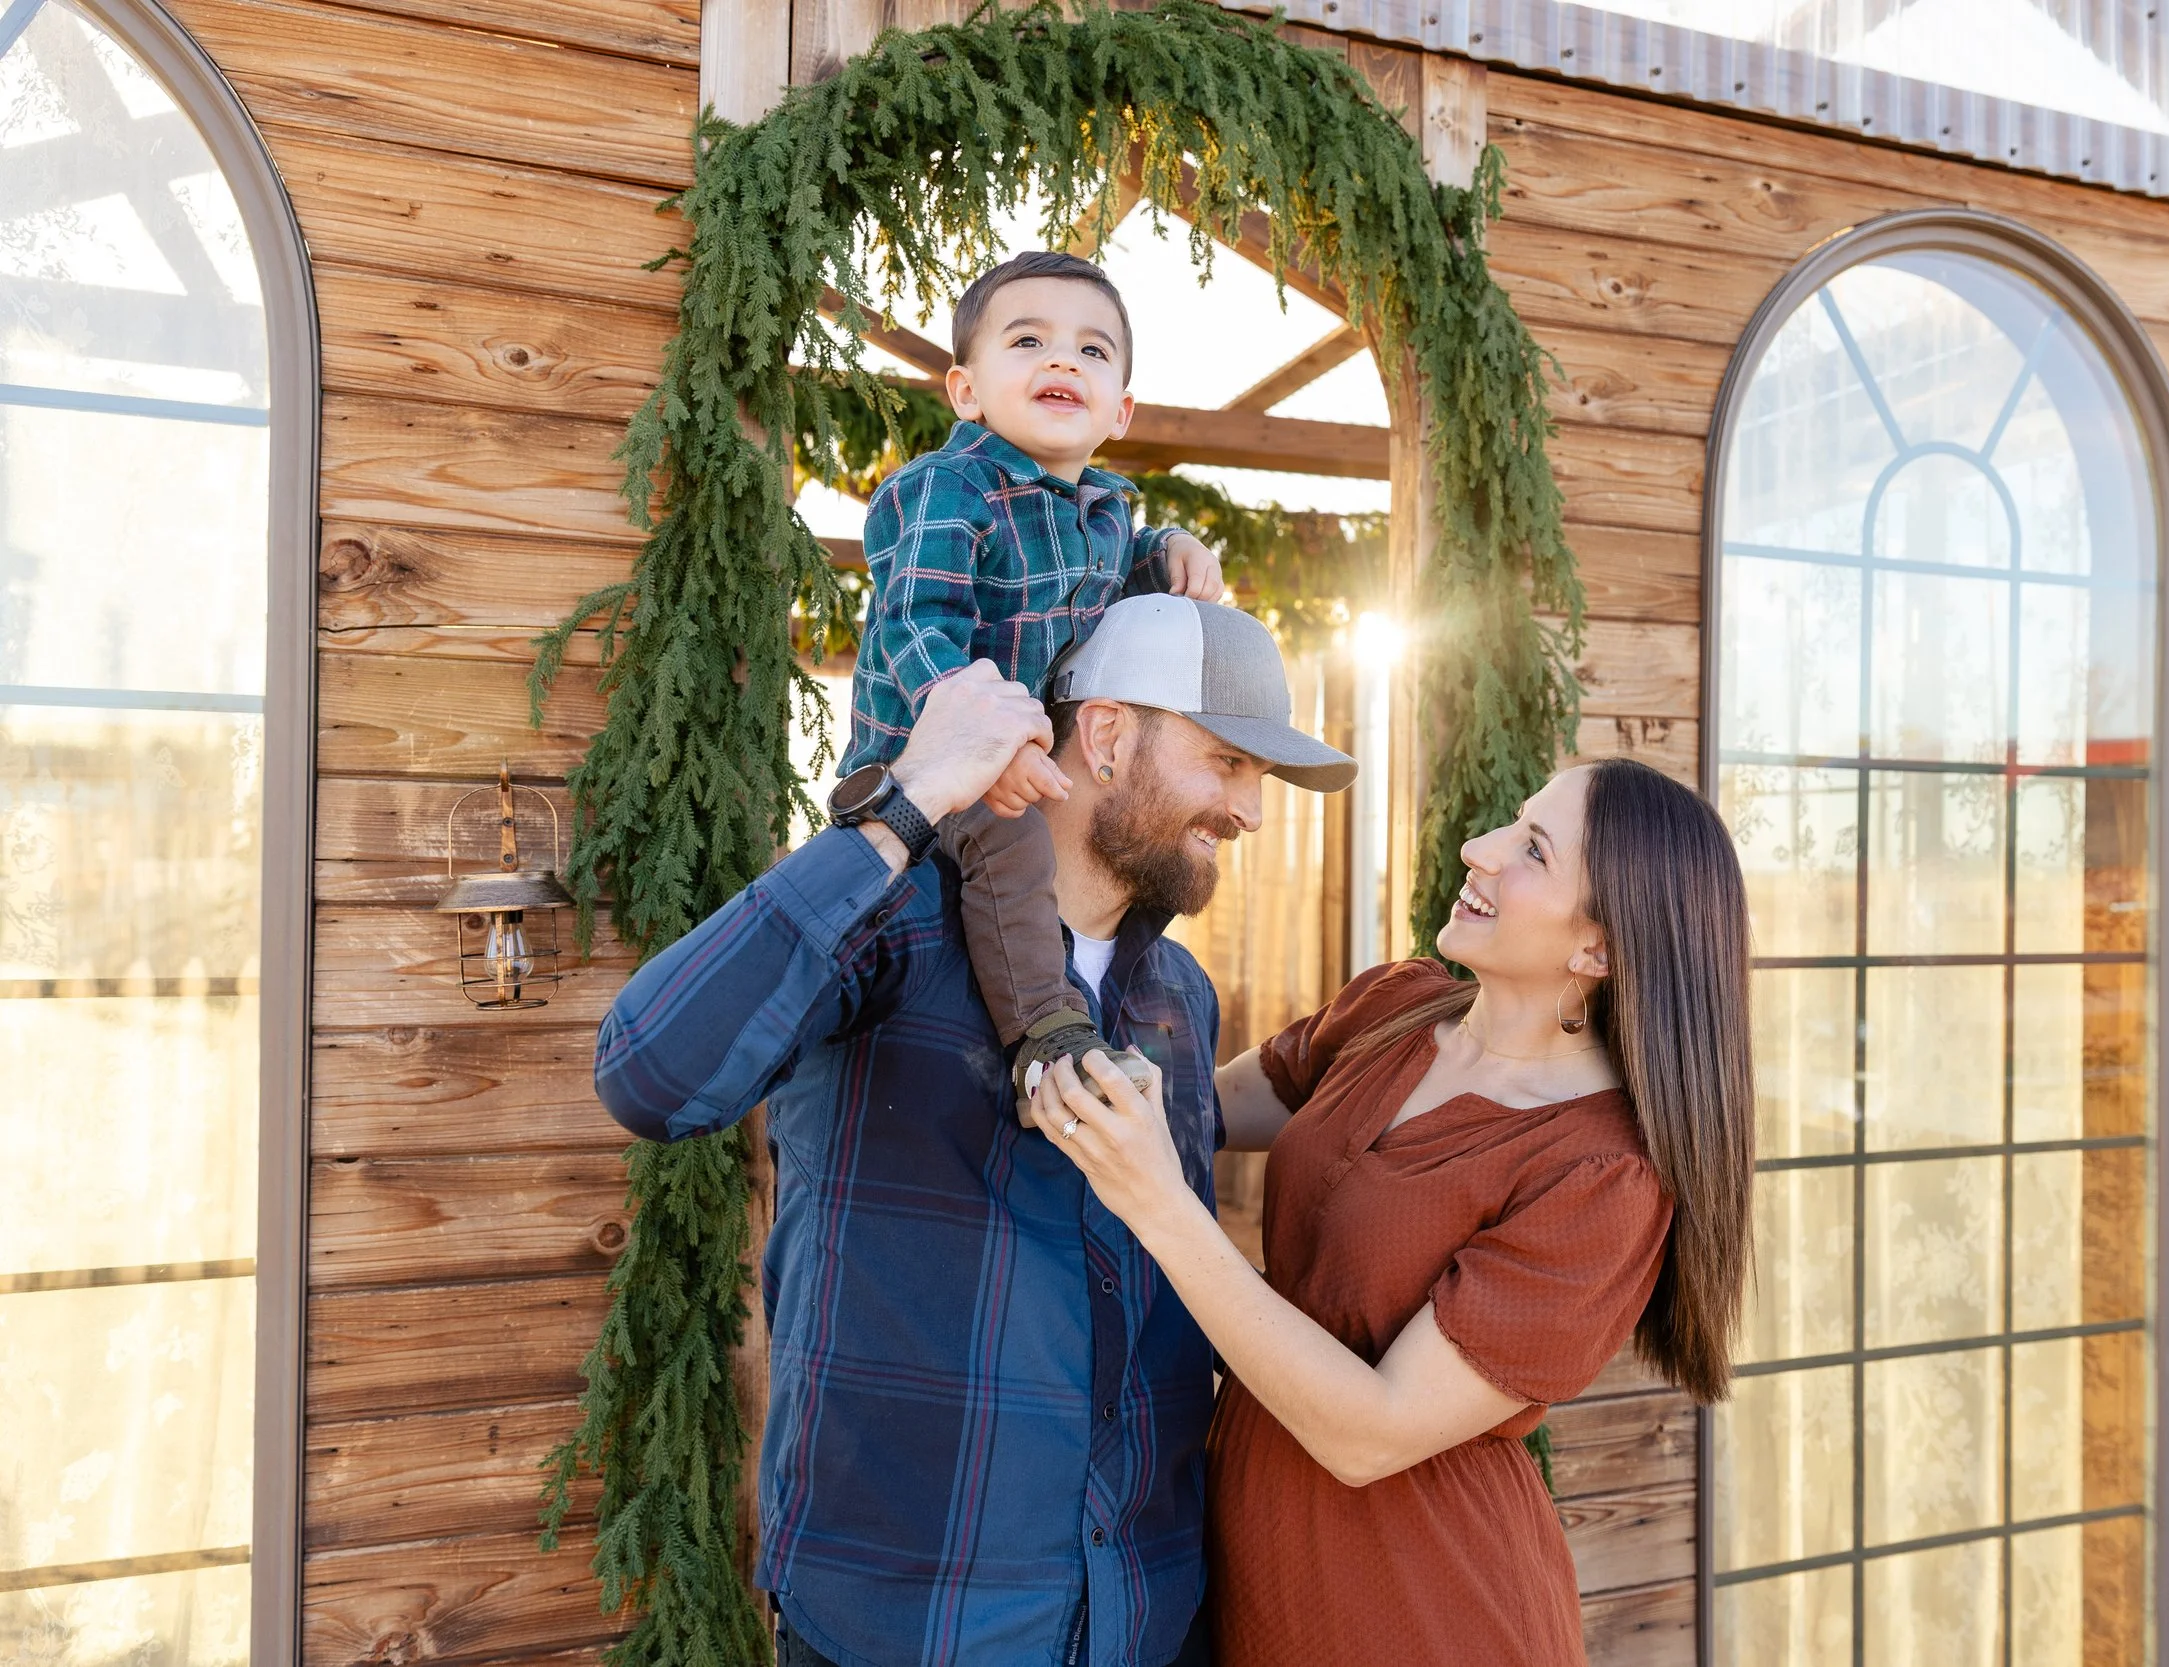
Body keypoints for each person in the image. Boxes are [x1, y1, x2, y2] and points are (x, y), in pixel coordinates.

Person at [591, 595, 1354, 1667]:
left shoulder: (1178, 993)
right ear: (1105, 734)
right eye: (1226, 761)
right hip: (910, 1618)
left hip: (1144, 1615)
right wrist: (907, 802)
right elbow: (649, 1075)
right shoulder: (892, 923)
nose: (1250, 810)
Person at [1033, 758, 1756, 1666]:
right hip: (1257, 1568)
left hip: (1428, 1606)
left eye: (1530, 848)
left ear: (1598, 950)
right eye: (1511, 821)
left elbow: (1369, 1431)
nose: (1476, 849)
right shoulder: (1398, 1006)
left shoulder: (1605, 1174)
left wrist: (1157, 1203)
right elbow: (1194, 1111)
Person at [842, 247, 1228, 1107]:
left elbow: (1118, 587)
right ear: (967, 391)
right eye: (1027, 341)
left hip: (1024, 755)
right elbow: (915, 627)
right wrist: (976, 747)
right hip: (924, 757)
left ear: (1120, 408)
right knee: (1014, 845)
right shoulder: (949, 489)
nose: (1062, 360)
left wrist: (1167, 553)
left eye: (1093, 351)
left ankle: (1110, 984)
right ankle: (1046, 1037)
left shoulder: (1102, 513)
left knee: (1115, 833)